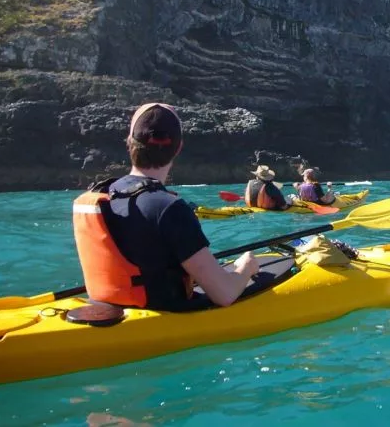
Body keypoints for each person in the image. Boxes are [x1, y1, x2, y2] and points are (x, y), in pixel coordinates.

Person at [72, 103, 259, 311]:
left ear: (129, 142)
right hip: (160, 314)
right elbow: (224, 294)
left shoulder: (103, 193)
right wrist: (246, 267)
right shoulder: (169, 208)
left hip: (105, 307)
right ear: (178, 148)